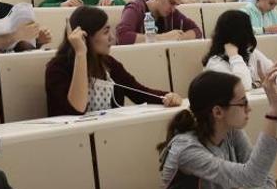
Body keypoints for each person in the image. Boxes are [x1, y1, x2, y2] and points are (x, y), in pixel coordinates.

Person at [148, 69, 277, 189]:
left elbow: (267, 186)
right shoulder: (187, 149)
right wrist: (273, 110)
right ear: (218, 112)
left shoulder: (231, 131)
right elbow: (253, 176)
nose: (249, 108)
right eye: (243, 103)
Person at [45, 6, 182, 116]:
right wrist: (81, 53)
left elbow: (139, 93)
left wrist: (167, 97)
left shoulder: (109, 64)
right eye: (105, 32)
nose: (112, 38)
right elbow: (77, 109)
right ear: (85, 37)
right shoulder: (57, 68)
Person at [204, 11, 277, 89]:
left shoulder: (251, 53)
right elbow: (243, 88)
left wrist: (259, 83)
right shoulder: (215, 63)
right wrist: (234, 57)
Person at [115, 0, 202, 45]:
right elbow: (122, 37)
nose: (173, 9)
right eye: (171, 2)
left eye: (176, 5)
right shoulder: (135, 8)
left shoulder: (171, 13)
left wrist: (180, 37)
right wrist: (163, 38)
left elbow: (197, 31)